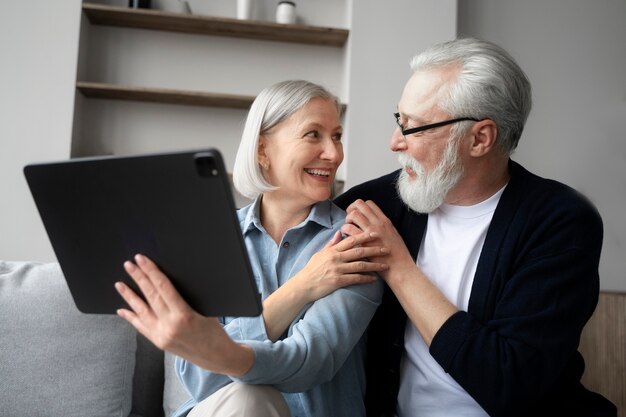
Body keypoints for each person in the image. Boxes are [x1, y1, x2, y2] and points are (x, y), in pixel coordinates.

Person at [334, 38, 617, 417]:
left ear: (480, 138)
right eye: (399, 120)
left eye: (414, 128)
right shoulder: (374, 206)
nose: (394, 142)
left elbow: (508, 383)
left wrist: (397, 267)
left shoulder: (562, 222)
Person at [114, 80, 388, 417]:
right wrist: (303, 286)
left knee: (250, 399)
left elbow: (310, 361)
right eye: (313, 134)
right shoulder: (212, 239)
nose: (333, 154)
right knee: (243, 401)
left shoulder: (354, 241)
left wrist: (218, 349)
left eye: (337, 136)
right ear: (262, 150)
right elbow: (198, 379)